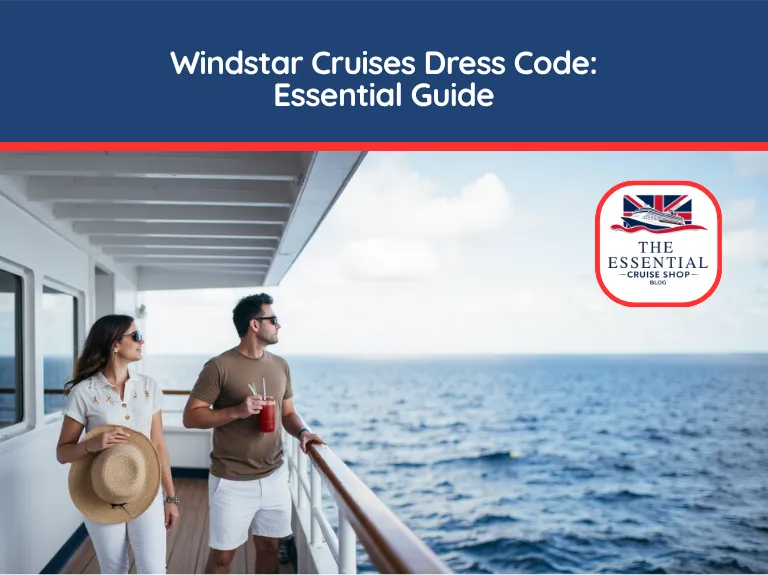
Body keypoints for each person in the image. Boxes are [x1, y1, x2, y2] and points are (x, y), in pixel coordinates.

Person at [183, 293, 325, 574]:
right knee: (223, 557)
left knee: (270, 547)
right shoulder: (219, 366)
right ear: (255, 325)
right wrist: (236, 411)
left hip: (274, 476)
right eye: (273, 319)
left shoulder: (280, 365)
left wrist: (304, 433)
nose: (279, 325)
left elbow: (287, 413)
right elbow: (190, 416)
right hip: (231, 479)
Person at [56, 315, 180, 574]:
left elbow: (158, 445)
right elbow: (63, 452)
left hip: (146, 488)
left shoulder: (149, 387)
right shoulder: (84, 392)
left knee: (155, 570)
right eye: (135, 336)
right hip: (100, 492)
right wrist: (91, 444)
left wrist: (170, 497)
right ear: (115, 344)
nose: (142, 340)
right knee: (114, 570)